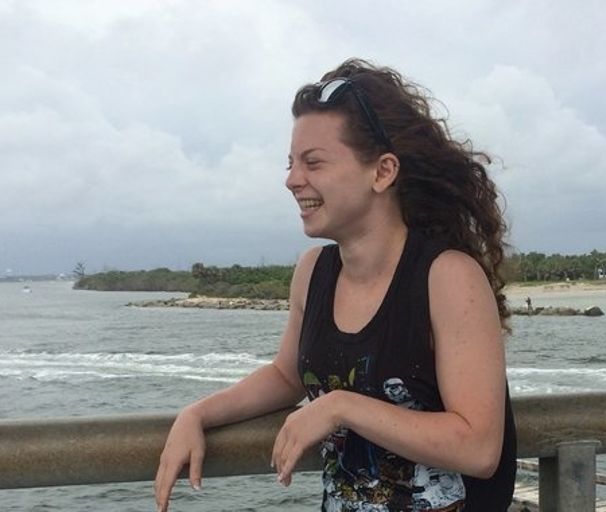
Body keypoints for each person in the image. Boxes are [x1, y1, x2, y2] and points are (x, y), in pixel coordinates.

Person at [154, 58, 517, 511]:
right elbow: (287, 375)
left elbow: (479, 447)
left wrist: (339, 407)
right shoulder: (313, 272)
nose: (292, 180)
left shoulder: (448, 277)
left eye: (314, 163)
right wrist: (197, 414)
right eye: (291, 163)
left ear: (382, 172)